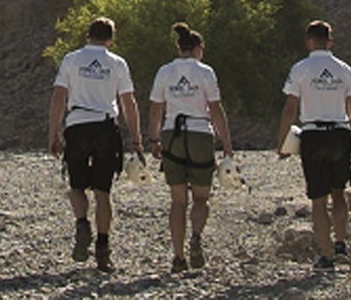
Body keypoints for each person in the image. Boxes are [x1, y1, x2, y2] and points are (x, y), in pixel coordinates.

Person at [48, 15, 143, 272]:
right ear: (110, 40)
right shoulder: (117, 63)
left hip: (77, 124)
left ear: (87, 36)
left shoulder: (71, 59)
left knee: (77, 185)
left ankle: (81, 223)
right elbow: (128, 103)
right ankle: (103, 248)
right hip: (105, 126)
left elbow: (59, 95)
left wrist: (54, 133)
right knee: (103, 192)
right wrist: (136, 139)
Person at [278, 19, 351, 268]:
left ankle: (326, 254)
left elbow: (289, 109)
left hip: (313, 134)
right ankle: (340, 243)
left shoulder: (300, 69)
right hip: (339, 133)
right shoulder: (344, 69)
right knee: (339, 192)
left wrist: (281, 140)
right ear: (330, 40)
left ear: (309, 41)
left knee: (318, 199)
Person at [147, 21, 234, 272]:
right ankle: (196, 236)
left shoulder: (164, 72)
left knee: (177, 201)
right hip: (199, 133)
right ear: (197, 48)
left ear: (179, 47)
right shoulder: (205, 72)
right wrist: (226, 143)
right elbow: (216, 109)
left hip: (171, 133)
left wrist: (153, 139)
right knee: (201, 197)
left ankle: (178, 256)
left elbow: (156, 109)